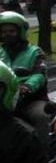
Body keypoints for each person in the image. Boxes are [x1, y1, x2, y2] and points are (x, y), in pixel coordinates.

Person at [0, 11, 50, 150]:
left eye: (11, 31)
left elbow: (39, 74)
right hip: (5, 98)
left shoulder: (35, 52)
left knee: (40, 116)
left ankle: (43, 154)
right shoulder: (0, 53)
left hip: (30, 99)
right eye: (3, 32)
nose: (7, 35)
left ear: (20, 32)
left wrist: (27, 86)